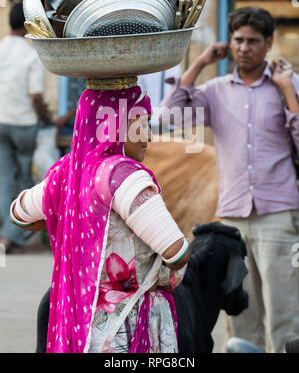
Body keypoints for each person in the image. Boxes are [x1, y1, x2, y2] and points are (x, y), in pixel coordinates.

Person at [9, 78, 191, 353]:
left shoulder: (68, 171)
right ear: (115, 123)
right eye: (142, 123)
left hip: (80, 322)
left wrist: (71, 216)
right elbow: (176, 253)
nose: (149, 136)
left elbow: (19, 214)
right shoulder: (124, 176)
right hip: (125, 329)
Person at [160, 6, 299, 353]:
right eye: (238, 40)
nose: (244, 47)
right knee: (240, 313)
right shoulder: (217, 90)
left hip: (278, 215)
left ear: (269, 44)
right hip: (232, 219)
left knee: (286, 313)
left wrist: (287, 93)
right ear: (230, 43)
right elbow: (171, 115)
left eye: (253, 41)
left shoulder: (288, 85)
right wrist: (200, 62)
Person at [0, 2, 50, 254]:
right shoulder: (32, 55)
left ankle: (5, 235)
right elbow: (36, 96)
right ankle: (10, 237)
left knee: (3, 177)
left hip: (1, 121)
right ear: (28, 23)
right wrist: (47, 118)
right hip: (24, 124)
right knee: (24, 180)